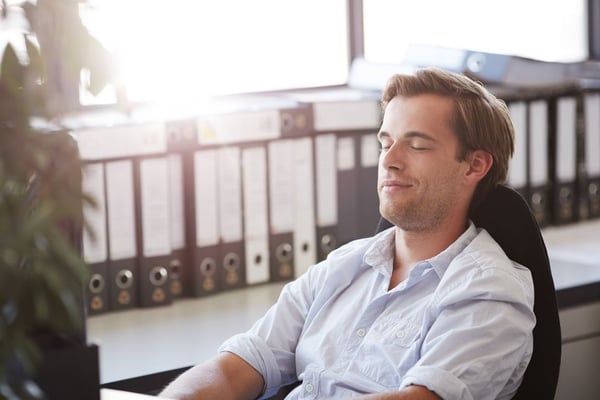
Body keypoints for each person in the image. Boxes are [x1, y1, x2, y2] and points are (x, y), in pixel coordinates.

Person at [160, 67, 535, 400]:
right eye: (385, 143)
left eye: (417, 144)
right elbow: (235, 368)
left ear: (474, 166)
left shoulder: (489, 292)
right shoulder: (343, 267)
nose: (389, 160)